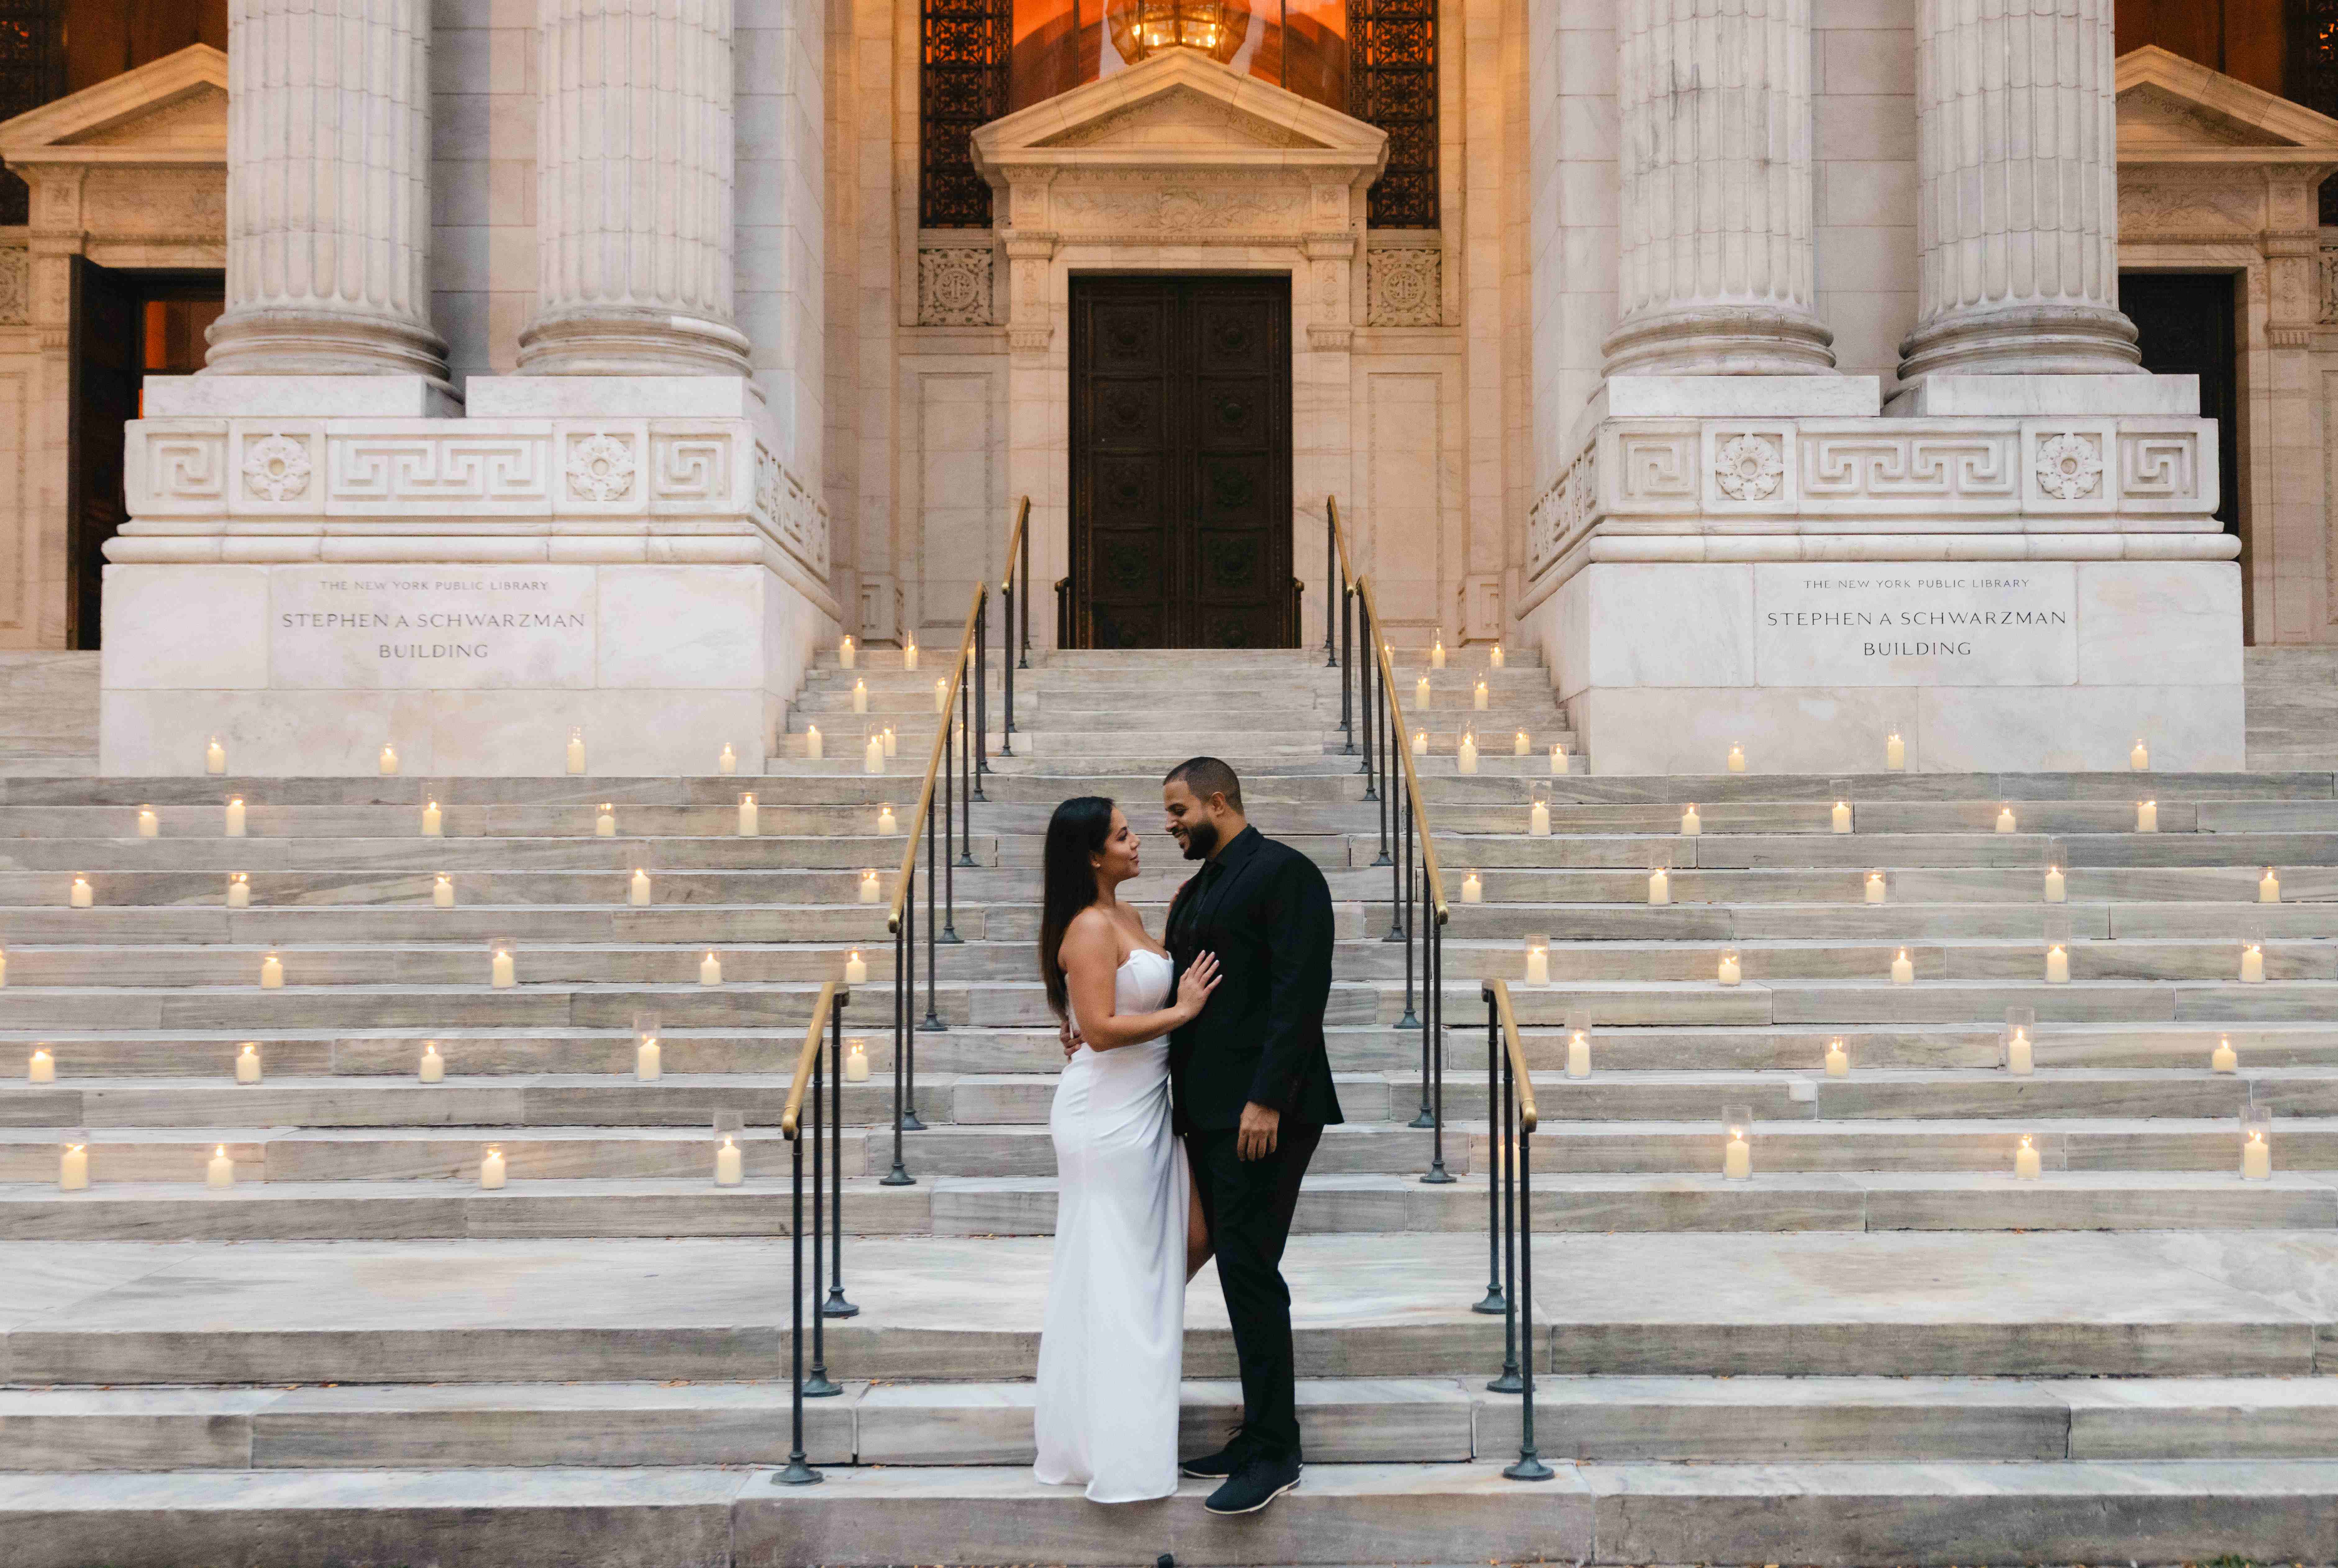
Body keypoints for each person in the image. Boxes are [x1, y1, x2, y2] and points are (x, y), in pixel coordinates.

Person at [1159, 756, 1342, 1516]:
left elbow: (1300, 994)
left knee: (1249, 1268)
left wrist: (1266, 1098)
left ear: (1219, 800)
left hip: (1264, 1116)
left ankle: (1276, 1449)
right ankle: (1256, 1432)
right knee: (1238, 1269)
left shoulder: (1285, 872)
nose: (1168, 824)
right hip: (1207, 1113)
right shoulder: (1200, 886)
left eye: (1177, 810)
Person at [1031, 796, 1220, 1503]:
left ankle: (1114, 1407)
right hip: (1103, 1114)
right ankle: (1116, 1444)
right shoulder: (1085, 925)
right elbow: (1102, 1029)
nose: (1138, 839)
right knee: (1118, 1269)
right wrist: (1183, 1010)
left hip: (1147, 1105)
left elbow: (1110, 1007)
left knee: (1189, 1239)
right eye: (1122, 833)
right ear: (1090, 853)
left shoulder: (1131, 917)